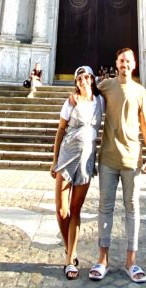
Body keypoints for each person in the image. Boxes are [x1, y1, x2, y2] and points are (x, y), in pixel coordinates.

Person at [87, 48, 146, 284]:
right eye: (121, 61)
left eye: (128, 61)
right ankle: (102, 259)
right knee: (105, 207)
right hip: (108, 157)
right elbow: (87, 97)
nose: (124, 64)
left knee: (132, 208)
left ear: (134, 64)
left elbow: (145, 123)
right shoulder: (106, 86)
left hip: (132, 159)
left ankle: (131, 262)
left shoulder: (140, 91)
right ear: (116, 64)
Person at [51, 65, 104, 280]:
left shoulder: (100, 101)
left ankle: (70, 257)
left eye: (87, 77)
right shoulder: (70, 102)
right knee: (62, 210)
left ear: (92, 79)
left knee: (75, 208)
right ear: (76, 81)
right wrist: (54, 161)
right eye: (79, 78)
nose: (84, 80)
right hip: (66, 158)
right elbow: (60, 130)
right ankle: (70, 250)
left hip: (86, 161)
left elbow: (117, 95)